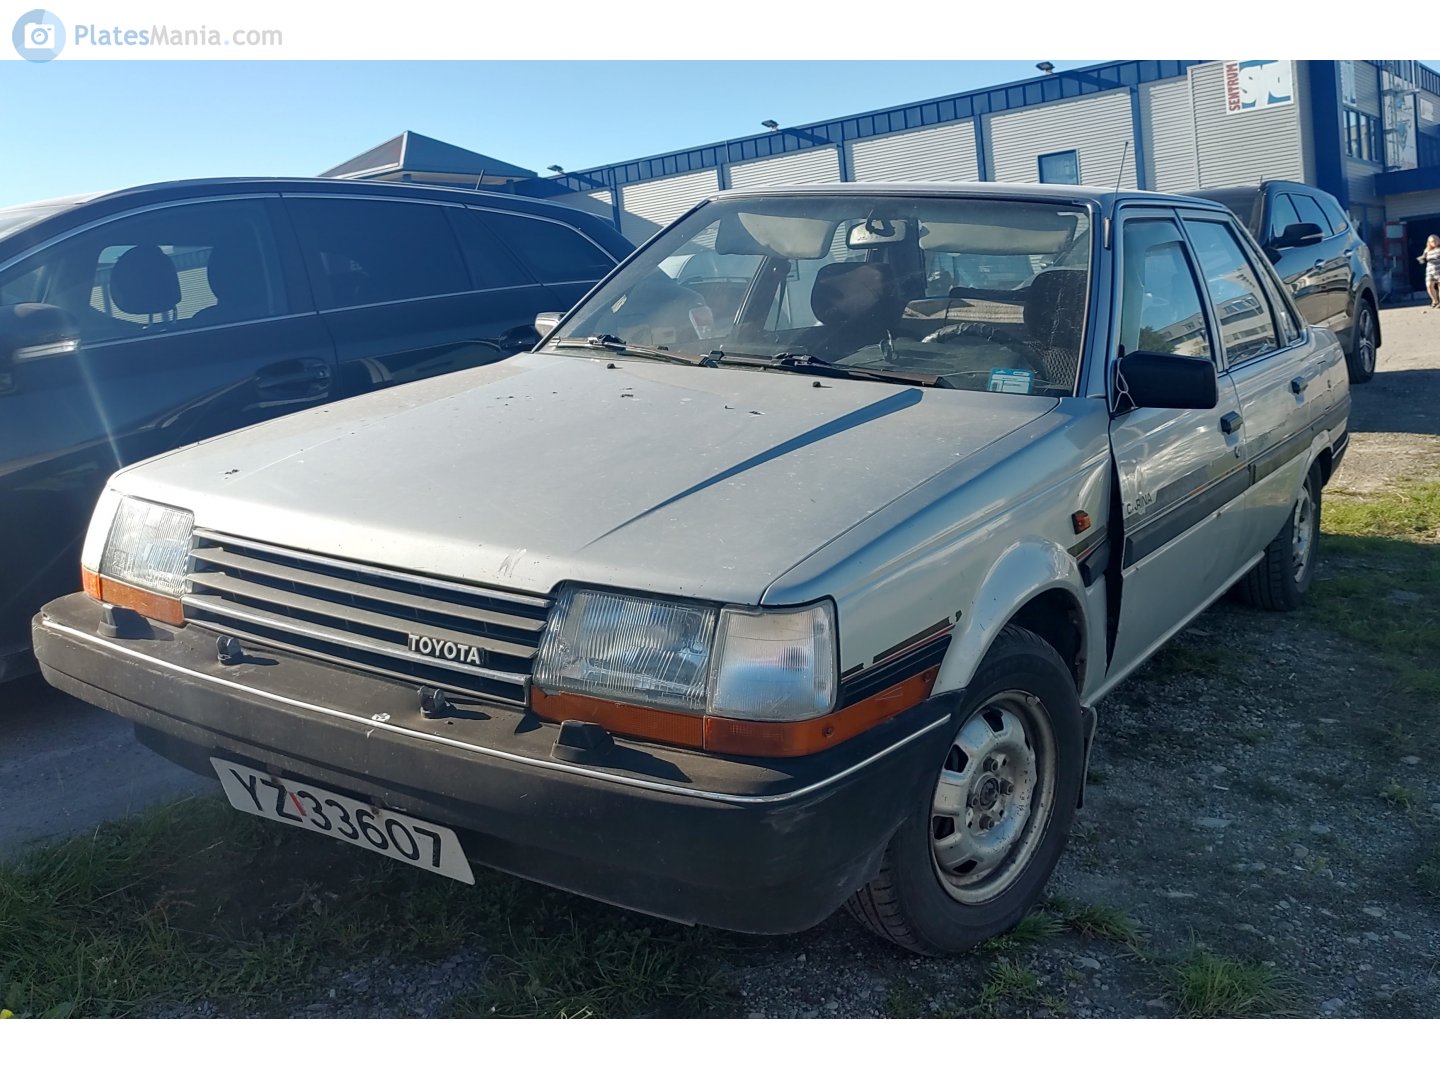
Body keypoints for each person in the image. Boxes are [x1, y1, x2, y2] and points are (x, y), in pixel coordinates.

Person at [1419, 234, 1440, 309]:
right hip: (1430, 271)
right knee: (1429, 285)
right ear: (1429, 243)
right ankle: (1435, 301)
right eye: (1432, 241)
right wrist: (1421, 259)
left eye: (1436, 240)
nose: (1434, 242)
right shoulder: (1427, 250)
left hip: (1439, 269)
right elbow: (1423, 258)